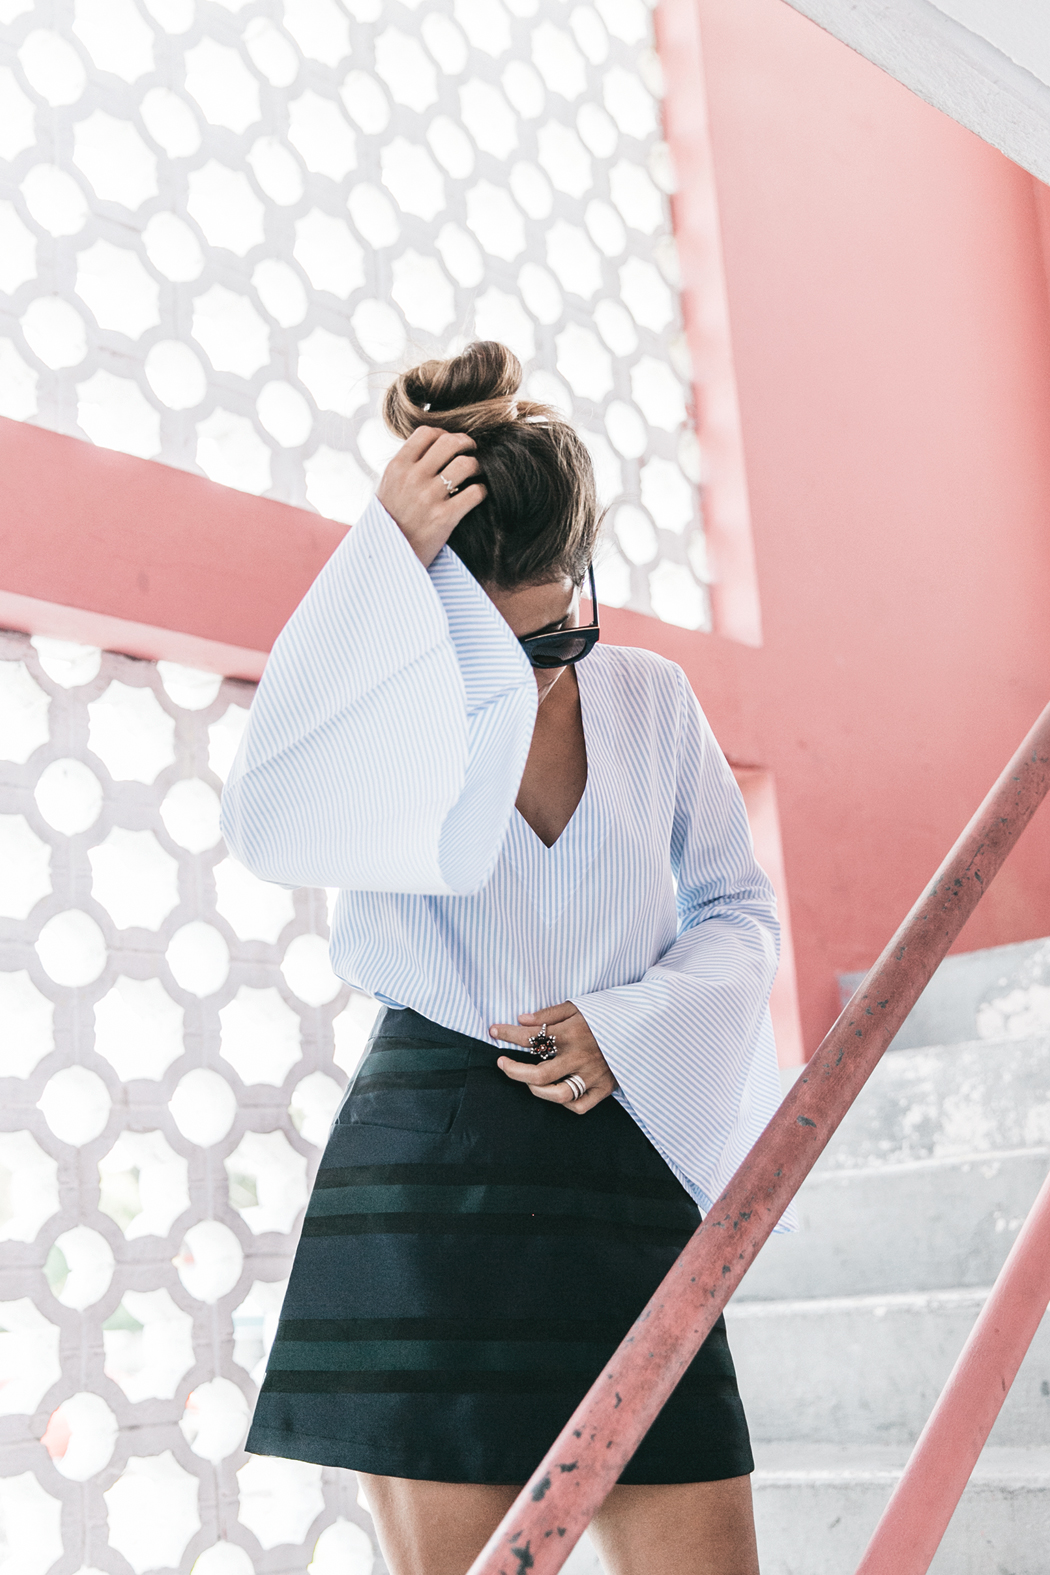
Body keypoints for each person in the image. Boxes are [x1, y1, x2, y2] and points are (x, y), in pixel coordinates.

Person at [220, 340, 787, 1575]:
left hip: (618, 1145)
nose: (539, 672)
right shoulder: (380, 707)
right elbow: (271, 810)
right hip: (430, 1171)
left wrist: (630, 1025)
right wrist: (380, 550)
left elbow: (740, 911)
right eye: (501, 647)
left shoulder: (651, 699)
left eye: (558, 635)